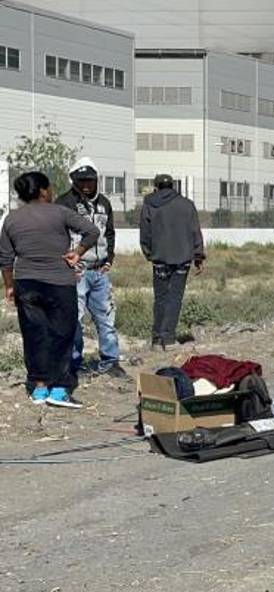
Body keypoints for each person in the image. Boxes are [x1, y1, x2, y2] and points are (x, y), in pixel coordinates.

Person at [0, 171, 99, 408]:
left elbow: (5, 258)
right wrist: (79, 252)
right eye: (50, 188)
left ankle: (39, 387)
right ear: (44, 190)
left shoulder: (12, 219)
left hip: (26, 283)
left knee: (34, 335)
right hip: (58, 283)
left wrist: (9, 286)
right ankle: (59, 389)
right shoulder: (59, 212)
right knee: (61, 335)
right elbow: (92, 231)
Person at [57, 157, 127, 379]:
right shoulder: (64, 203)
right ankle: (73, 364)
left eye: (90, 180)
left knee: (106, 317)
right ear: (74, 181)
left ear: (97, 179)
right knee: (73, 319)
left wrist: (109, 259)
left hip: (99, 270)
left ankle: (110, 360)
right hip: (76, 272)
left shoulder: (104, 203)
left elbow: (109, 233)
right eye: (81, 180)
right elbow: (58, 234)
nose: (86, 184)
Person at [139, 174, 205, 351]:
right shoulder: (187, 205)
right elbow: (195, 231)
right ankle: (168, 339)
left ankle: (156, 339)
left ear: (156, 187)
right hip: (183, 258)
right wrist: (198, 256)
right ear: (173, 186)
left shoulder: (149, 203)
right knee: (175, 297)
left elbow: (145, 232)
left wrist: (149, 253)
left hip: (159, 258)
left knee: (160, 298)